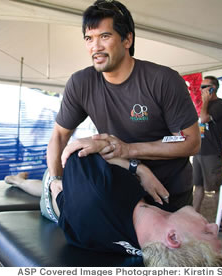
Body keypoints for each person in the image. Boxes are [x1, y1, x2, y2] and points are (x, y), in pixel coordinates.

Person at [47, 0, 201, 215]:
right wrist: (55, 179)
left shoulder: (163, 80)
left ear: (127, 39)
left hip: (168, 191)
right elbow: (58, 136)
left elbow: (190, 141)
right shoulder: (81, 83)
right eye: (89, 38)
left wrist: (129, 149)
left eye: (105, 36)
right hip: (120, 187)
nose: (95, 47)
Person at [5, 137, 222, 267]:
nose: (214, 226)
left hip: (58, 198)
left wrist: (138, 168)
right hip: (82, 203)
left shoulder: (97, 194)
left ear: (172, 237)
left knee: (44, 187)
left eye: (208, 234)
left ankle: (16, 180)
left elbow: (77, 149)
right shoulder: (155, 235)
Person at [193, 76, 222, 230]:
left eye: (205, 87)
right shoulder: (204, 105)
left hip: (212, 153)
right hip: (199, 151)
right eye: (201, 86)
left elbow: (203, 118)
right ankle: (194, 216)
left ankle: (220, 219)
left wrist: (206, 101)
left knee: (215, 188)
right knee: (198, 186)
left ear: (213, 88)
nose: (201, 90)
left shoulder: (221, 105)